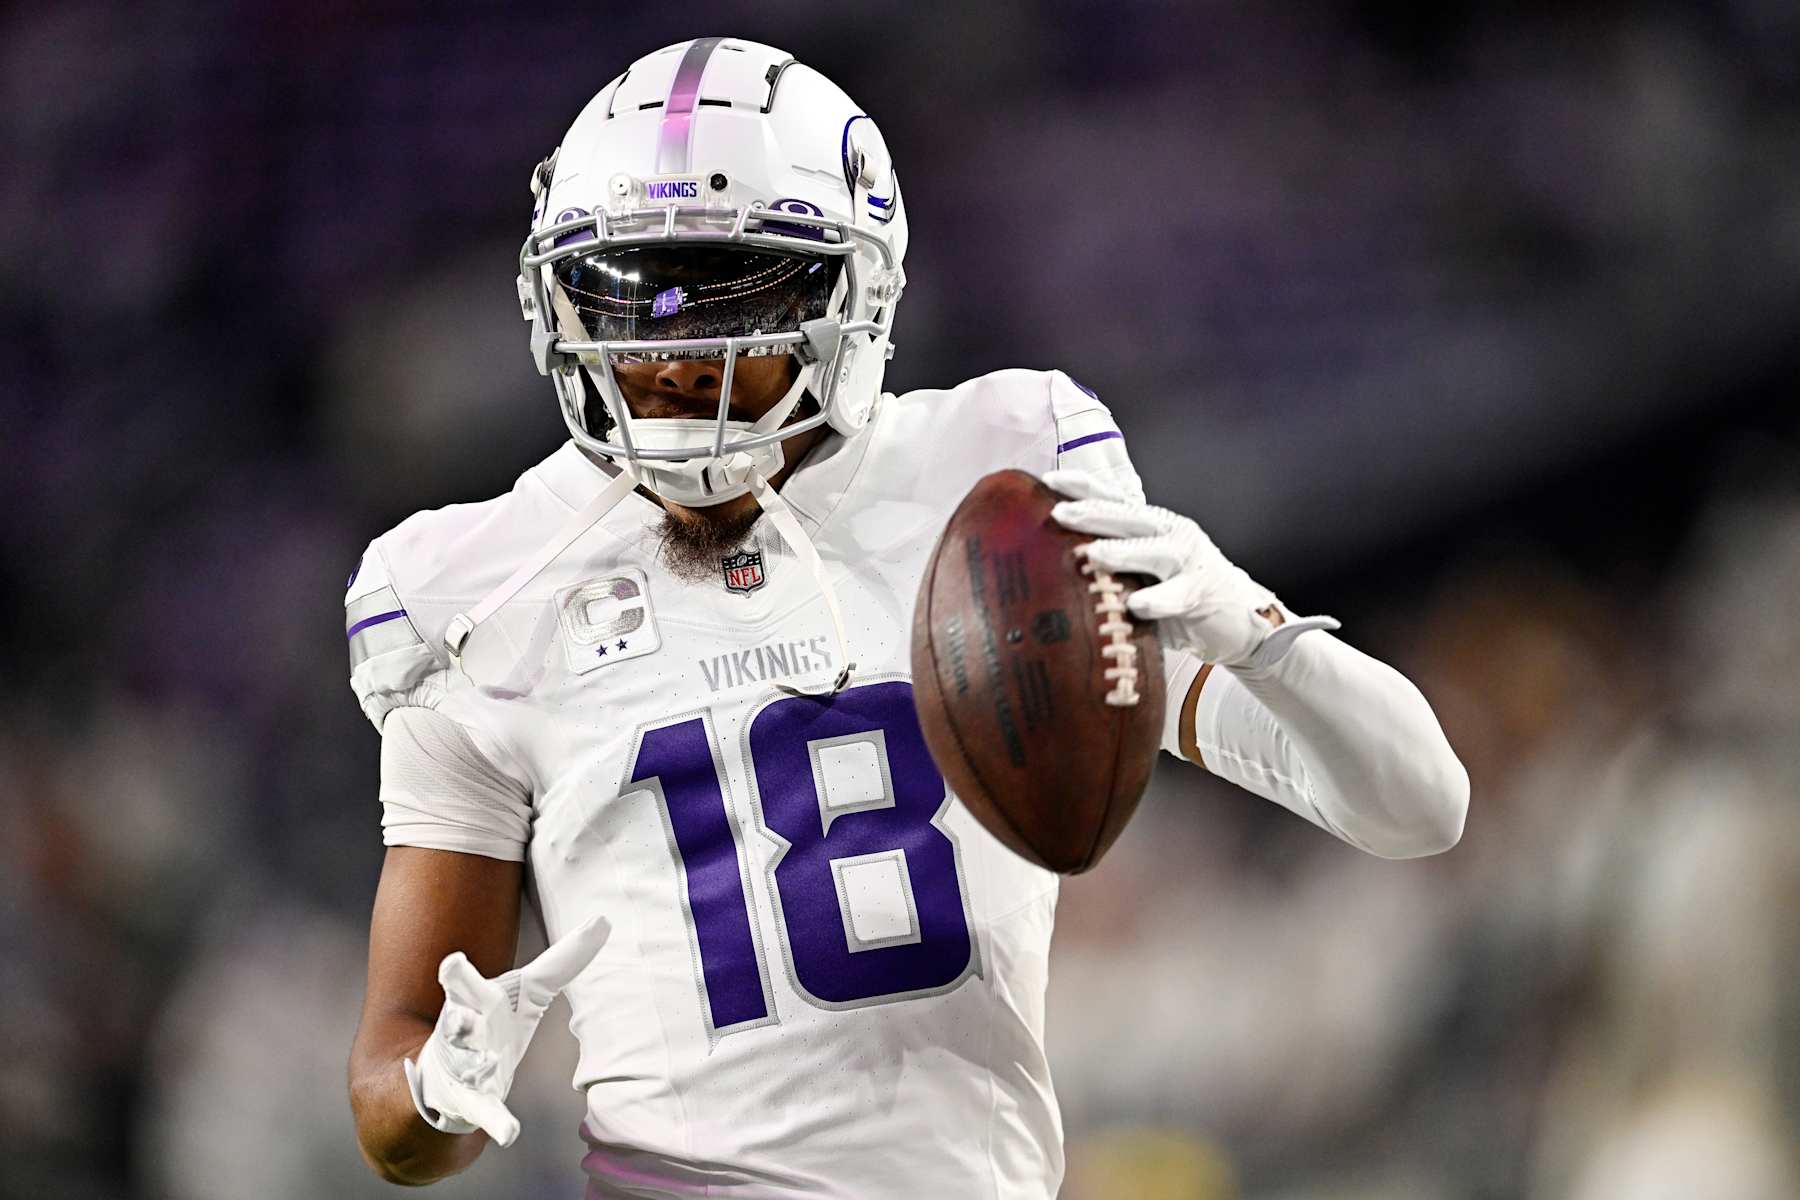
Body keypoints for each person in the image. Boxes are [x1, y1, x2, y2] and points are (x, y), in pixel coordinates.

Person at [343, 37, 1469, 1198]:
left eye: (728, 292)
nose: (672, 359)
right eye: (629, 295)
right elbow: (396, 1108)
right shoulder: (472, 590)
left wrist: (1259, 636)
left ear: (852, 295)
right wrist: (436, 1089)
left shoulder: (993, 491)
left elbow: (1419, 806)